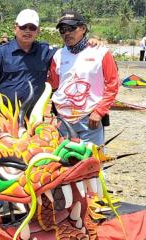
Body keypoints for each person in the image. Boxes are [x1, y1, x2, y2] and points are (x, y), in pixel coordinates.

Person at [48, 9, 119, 146]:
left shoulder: (101, 52)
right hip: (63, 120)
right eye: (62, 30)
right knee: (65, 162)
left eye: (71, 28)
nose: (66, 33)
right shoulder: (58, 55)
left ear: (83, 28)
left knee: (91, 162)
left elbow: (113, 85)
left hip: (90, 119)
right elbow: (53, 85)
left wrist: (99, 112)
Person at [0, 9, 54, 114]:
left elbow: (69, 53)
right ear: (15, 28)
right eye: (23, 27)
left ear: (38, 31)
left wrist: (86, 43)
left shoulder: (45, 51)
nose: (27, 31)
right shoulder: (0, 53)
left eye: (32, 27)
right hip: (5, 118)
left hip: (33, 119)